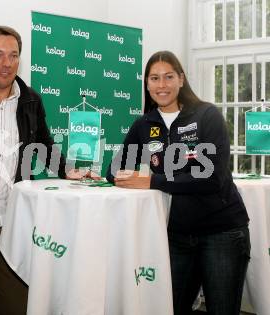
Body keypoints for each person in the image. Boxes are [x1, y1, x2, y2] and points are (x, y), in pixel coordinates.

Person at [0, 25, 87, 315]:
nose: (6, 63)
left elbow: (44, 144)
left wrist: (66, 170)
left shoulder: (31, 99)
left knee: (15, 305)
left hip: (16, 221)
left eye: (13, 55)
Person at [107, 51, 250, 315]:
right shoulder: (144, 124)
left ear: (181, 79)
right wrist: (126, 176)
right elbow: (114, 170)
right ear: (147, 84)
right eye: (154, 78)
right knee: (169, 309)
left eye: (169, 77)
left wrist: (152, 181)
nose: (162, 85)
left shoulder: (207, 115)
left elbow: (211, 177)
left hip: (221, 232)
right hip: (175, 236)